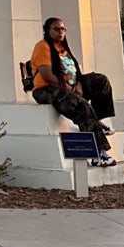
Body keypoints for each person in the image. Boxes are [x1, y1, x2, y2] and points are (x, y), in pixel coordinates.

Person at [31, 17, 117, 167]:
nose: (61, 32)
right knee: (81, 105)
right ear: (47, 30)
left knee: (101, 81)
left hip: (69, 86)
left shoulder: (63, 48)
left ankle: (96, 121)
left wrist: (78, 83)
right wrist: (68, 88)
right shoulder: (42, 46)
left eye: (63, 29)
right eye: (56, 29)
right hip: (46, 89)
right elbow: (47, 75)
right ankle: (98, 154)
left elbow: (73, 70)